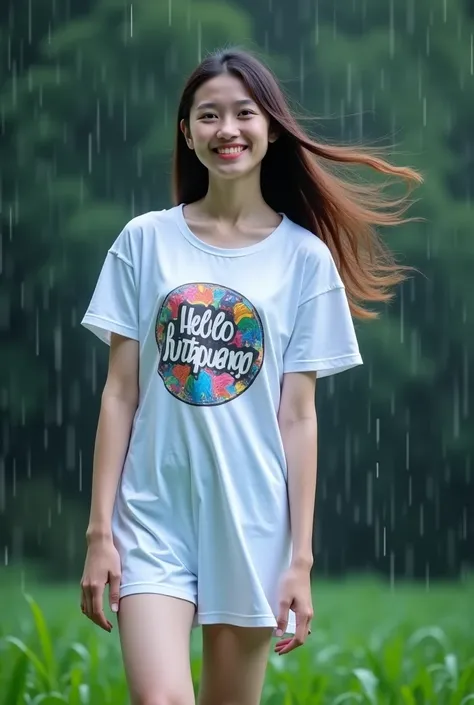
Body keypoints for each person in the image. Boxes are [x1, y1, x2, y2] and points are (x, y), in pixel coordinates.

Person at [79, 48, 422, 705]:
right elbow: (120, 392)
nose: (227, 129)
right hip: (152, 516)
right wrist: (100, 531)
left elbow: (299, 417)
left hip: (253, 520)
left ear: (271, 128)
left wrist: (300, 557)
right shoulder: (144, 241)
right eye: (209, 115)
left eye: (244, 113)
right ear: (187, 131)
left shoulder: (304, 259)